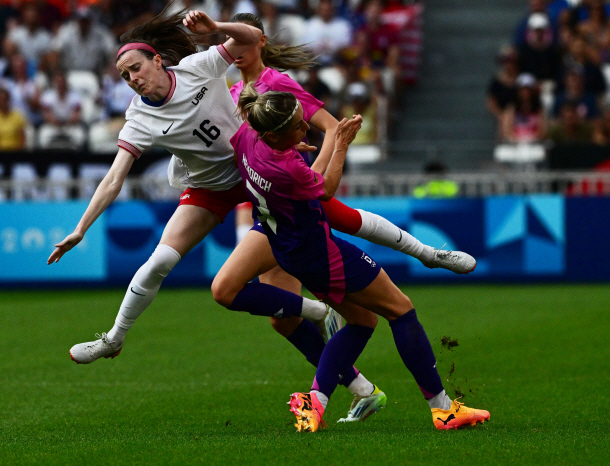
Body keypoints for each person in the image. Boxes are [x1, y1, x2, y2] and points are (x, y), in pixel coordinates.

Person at [49, 7, 474, 421]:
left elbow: (320, 124)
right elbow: (113, 178)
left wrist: (322, 144)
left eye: (136, 68)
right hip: (222, 185)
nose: (132, 79)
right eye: (125, 76)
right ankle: (115, 338)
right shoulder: (176, 105)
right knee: (255, 303)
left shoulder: (264, 81)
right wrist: (80, 229)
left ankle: (426, 255)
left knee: (330, 219)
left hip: (258, 180)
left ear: (158, 60)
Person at [229, 85, 491, 432]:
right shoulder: (287, 167)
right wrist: (340, 145)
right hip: (321, 253)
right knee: (401, 309)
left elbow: (302, 170)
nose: (305, 129)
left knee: (363, 321)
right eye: (297, 127)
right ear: (275, 135)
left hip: (287, 247)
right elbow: (326, 188)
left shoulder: (248, 137)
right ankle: (443, 409)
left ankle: (315, 404)